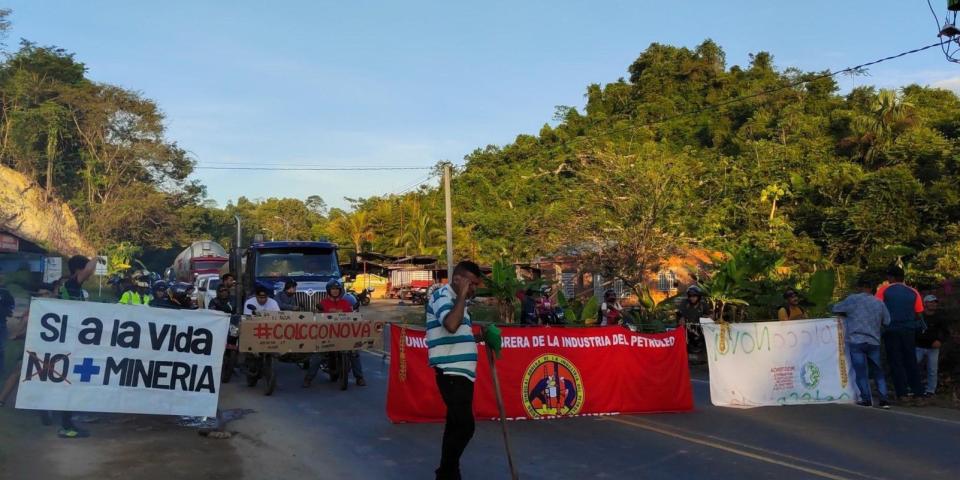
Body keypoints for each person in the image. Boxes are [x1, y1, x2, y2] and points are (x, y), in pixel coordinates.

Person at [428, 261, 484, 480]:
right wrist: (461, 295)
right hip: (451, 372)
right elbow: (450, 325)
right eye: (471, 284)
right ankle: (447, 473)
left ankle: (448, 473)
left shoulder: (460, 305)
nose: (473, 290)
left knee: (454, 426)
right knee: (464, 426)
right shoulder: (443, 296)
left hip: (462, 373)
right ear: (458, 279)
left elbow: (459, 334)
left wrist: (481, 337)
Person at [832, 275, 892, 408]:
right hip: (874, 341)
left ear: (859, 287)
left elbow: (835, 308)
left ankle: (866, 399)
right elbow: (887, 321)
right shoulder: (879, 303)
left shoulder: (853, 299)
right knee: (878, 371)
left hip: (856, 340)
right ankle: (884, 400)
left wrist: (846, 314)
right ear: (872, 289)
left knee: (861, 372)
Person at [57, 255, 97, 438]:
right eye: (87, 271)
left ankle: (71, 418)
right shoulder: (73, 283)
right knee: (69, 382)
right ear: (78, 270)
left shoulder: (72, 286)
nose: (91, 274)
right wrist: (98, 257)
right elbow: (89, 269)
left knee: (73, 382)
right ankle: (66, 426)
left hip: (73, 339)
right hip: (69, 341)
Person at [876, 265, 925, 402]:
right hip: (909, 330)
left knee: (896, 362)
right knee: (911, 361)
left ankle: (902, 394)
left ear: (891, 277)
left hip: (891, 330)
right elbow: (919, 313)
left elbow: (876, 308)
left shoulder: (883, 290)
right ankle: (918, 394)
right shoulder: (913, 291)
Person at [303, 280, 365, 388]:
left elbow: (352, 317)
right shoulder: (323, 303)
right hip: (327, 336)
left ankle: (359, 378)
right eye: (333, 289)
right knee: (317, 355)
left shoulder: (345, 303)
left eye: (337, 289)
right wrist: (319, 312)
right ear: (329, 291)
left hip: (343, 335)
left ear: (340, 290)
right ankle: (308, 378)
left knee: (354, 352)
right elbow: (317, 319)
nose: (335, 291)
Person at [916, 295, 949, 397]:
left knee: (932, 369)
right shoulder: (919, 316)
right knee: (914, 366)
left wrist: (940, 341)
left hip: (933, 348)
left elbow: (946, 332)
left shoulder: (940, 318)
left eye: (935, 302)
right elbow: (913, 330)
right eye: (931, 302)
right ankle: (913, 387)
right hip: (918, 346)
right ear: (925, 303)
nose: (933, 304)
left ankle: (930, 390)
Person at [676, 285, 711, 353]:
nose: (692, 298)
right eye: (690, 296)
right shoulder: (685, 303)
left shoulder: (703, 304)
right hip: (687, 327)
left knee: (700, 341)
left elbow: (710, 314)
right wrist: (681, 318)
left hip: (700, 328)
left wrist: (709, 317)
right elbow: (680, 313)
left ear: (698, 297)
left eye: (694, 296)